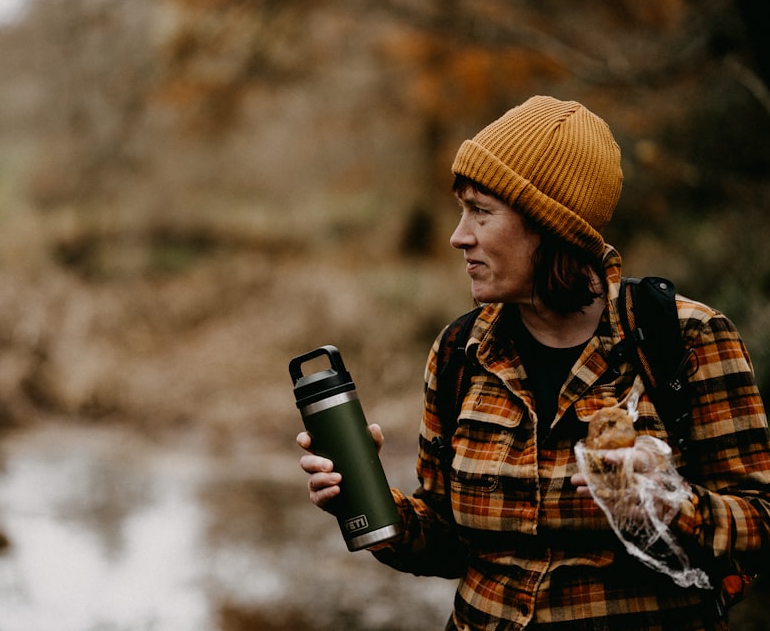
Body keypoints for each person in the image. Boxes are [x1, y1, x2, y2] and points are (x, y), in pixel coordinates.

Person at [298, 95, 770, 629]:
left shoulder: (686, 339)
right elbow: (451, 546)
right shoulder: (460, 353)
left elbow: (762, 521)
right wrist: (369, 504)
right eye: (461, 210)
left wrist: (665, 504)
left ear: (550, 226)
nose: (459, 236)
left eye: (481, 211)